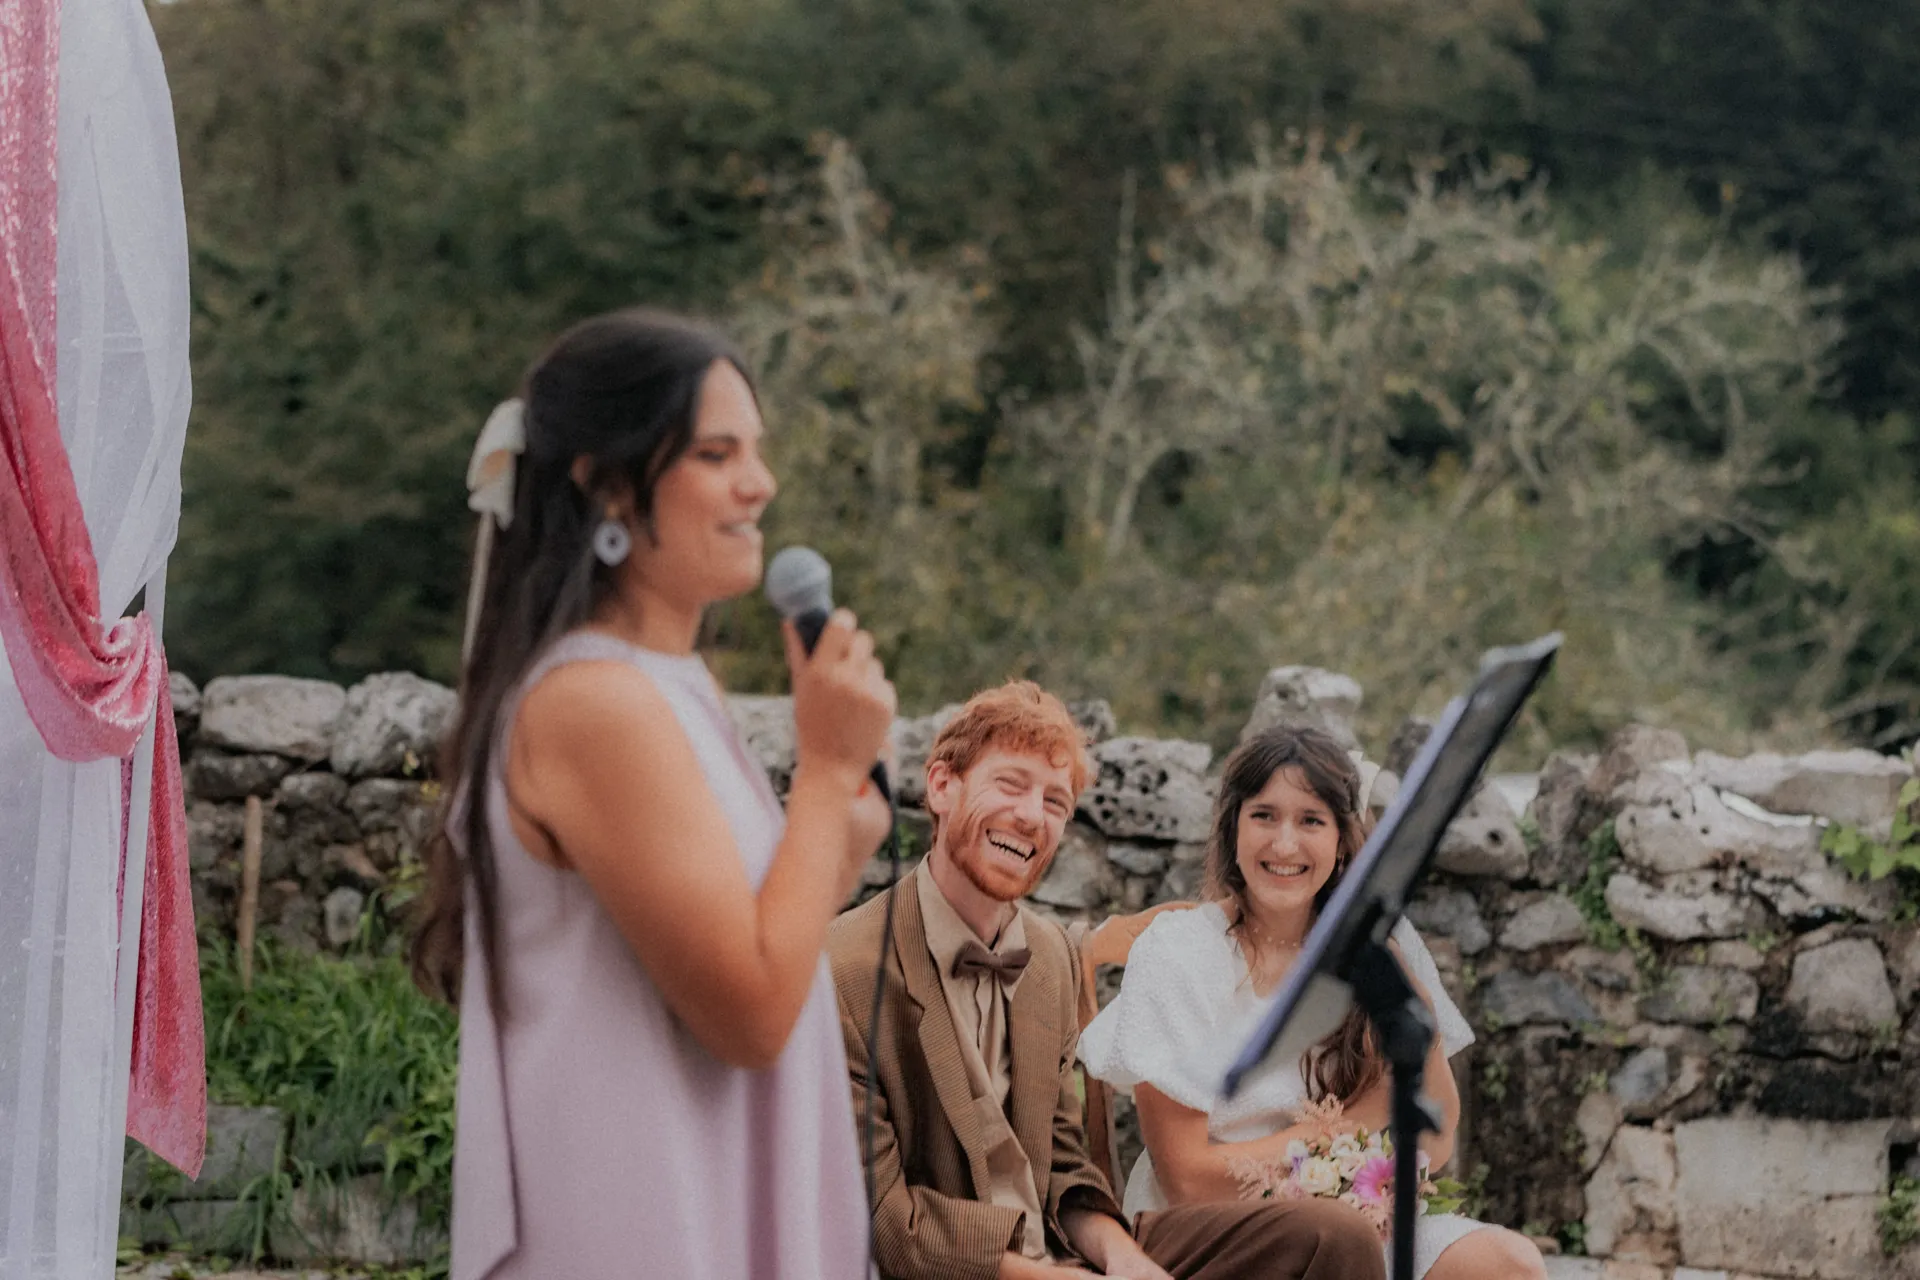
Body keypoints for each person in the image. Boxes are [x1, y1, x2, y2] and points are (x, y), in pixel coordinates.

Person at [412, 308, 895, 1280]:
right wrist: (828, 772)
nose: (761, 482)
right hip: (633, 1212)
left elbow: (762, 929)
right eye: (718, 453)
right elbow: (750, 1011)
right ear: (608, 486)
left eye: (755, 450)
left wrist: (845, 824)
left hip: (703, 1181)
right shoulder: (595, 704)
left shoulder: (672, 688)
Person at [829, 682, 1386, 1280]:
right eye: (1011, 784)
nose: (1030, 816)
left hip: (1067, 1248)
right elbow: (884, 1219)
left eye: (1055, 802)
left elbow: (1065, 1164)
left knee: (1335, 1235)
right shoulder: (847, 969)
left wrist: (1126, 1261)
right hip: (960, 1270)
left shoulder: (1048, 957)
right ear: (942, 785)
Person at [1078, 726, 1548, 1280]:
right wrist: (1346, 1130)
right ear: (1232, 828)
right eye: (1264, 816)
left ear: (1342, 840)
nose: (1284, 844)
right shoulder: (1181, 950)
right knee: (1335, 1235)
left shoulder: (1377, 952)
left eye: (1311, 820)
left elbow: (1437, 1133)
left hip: (1348, 1215)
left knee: (1508, 1264)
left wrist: (1368, 1177)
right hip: (1211, 1229)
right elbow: (1186, 1178)